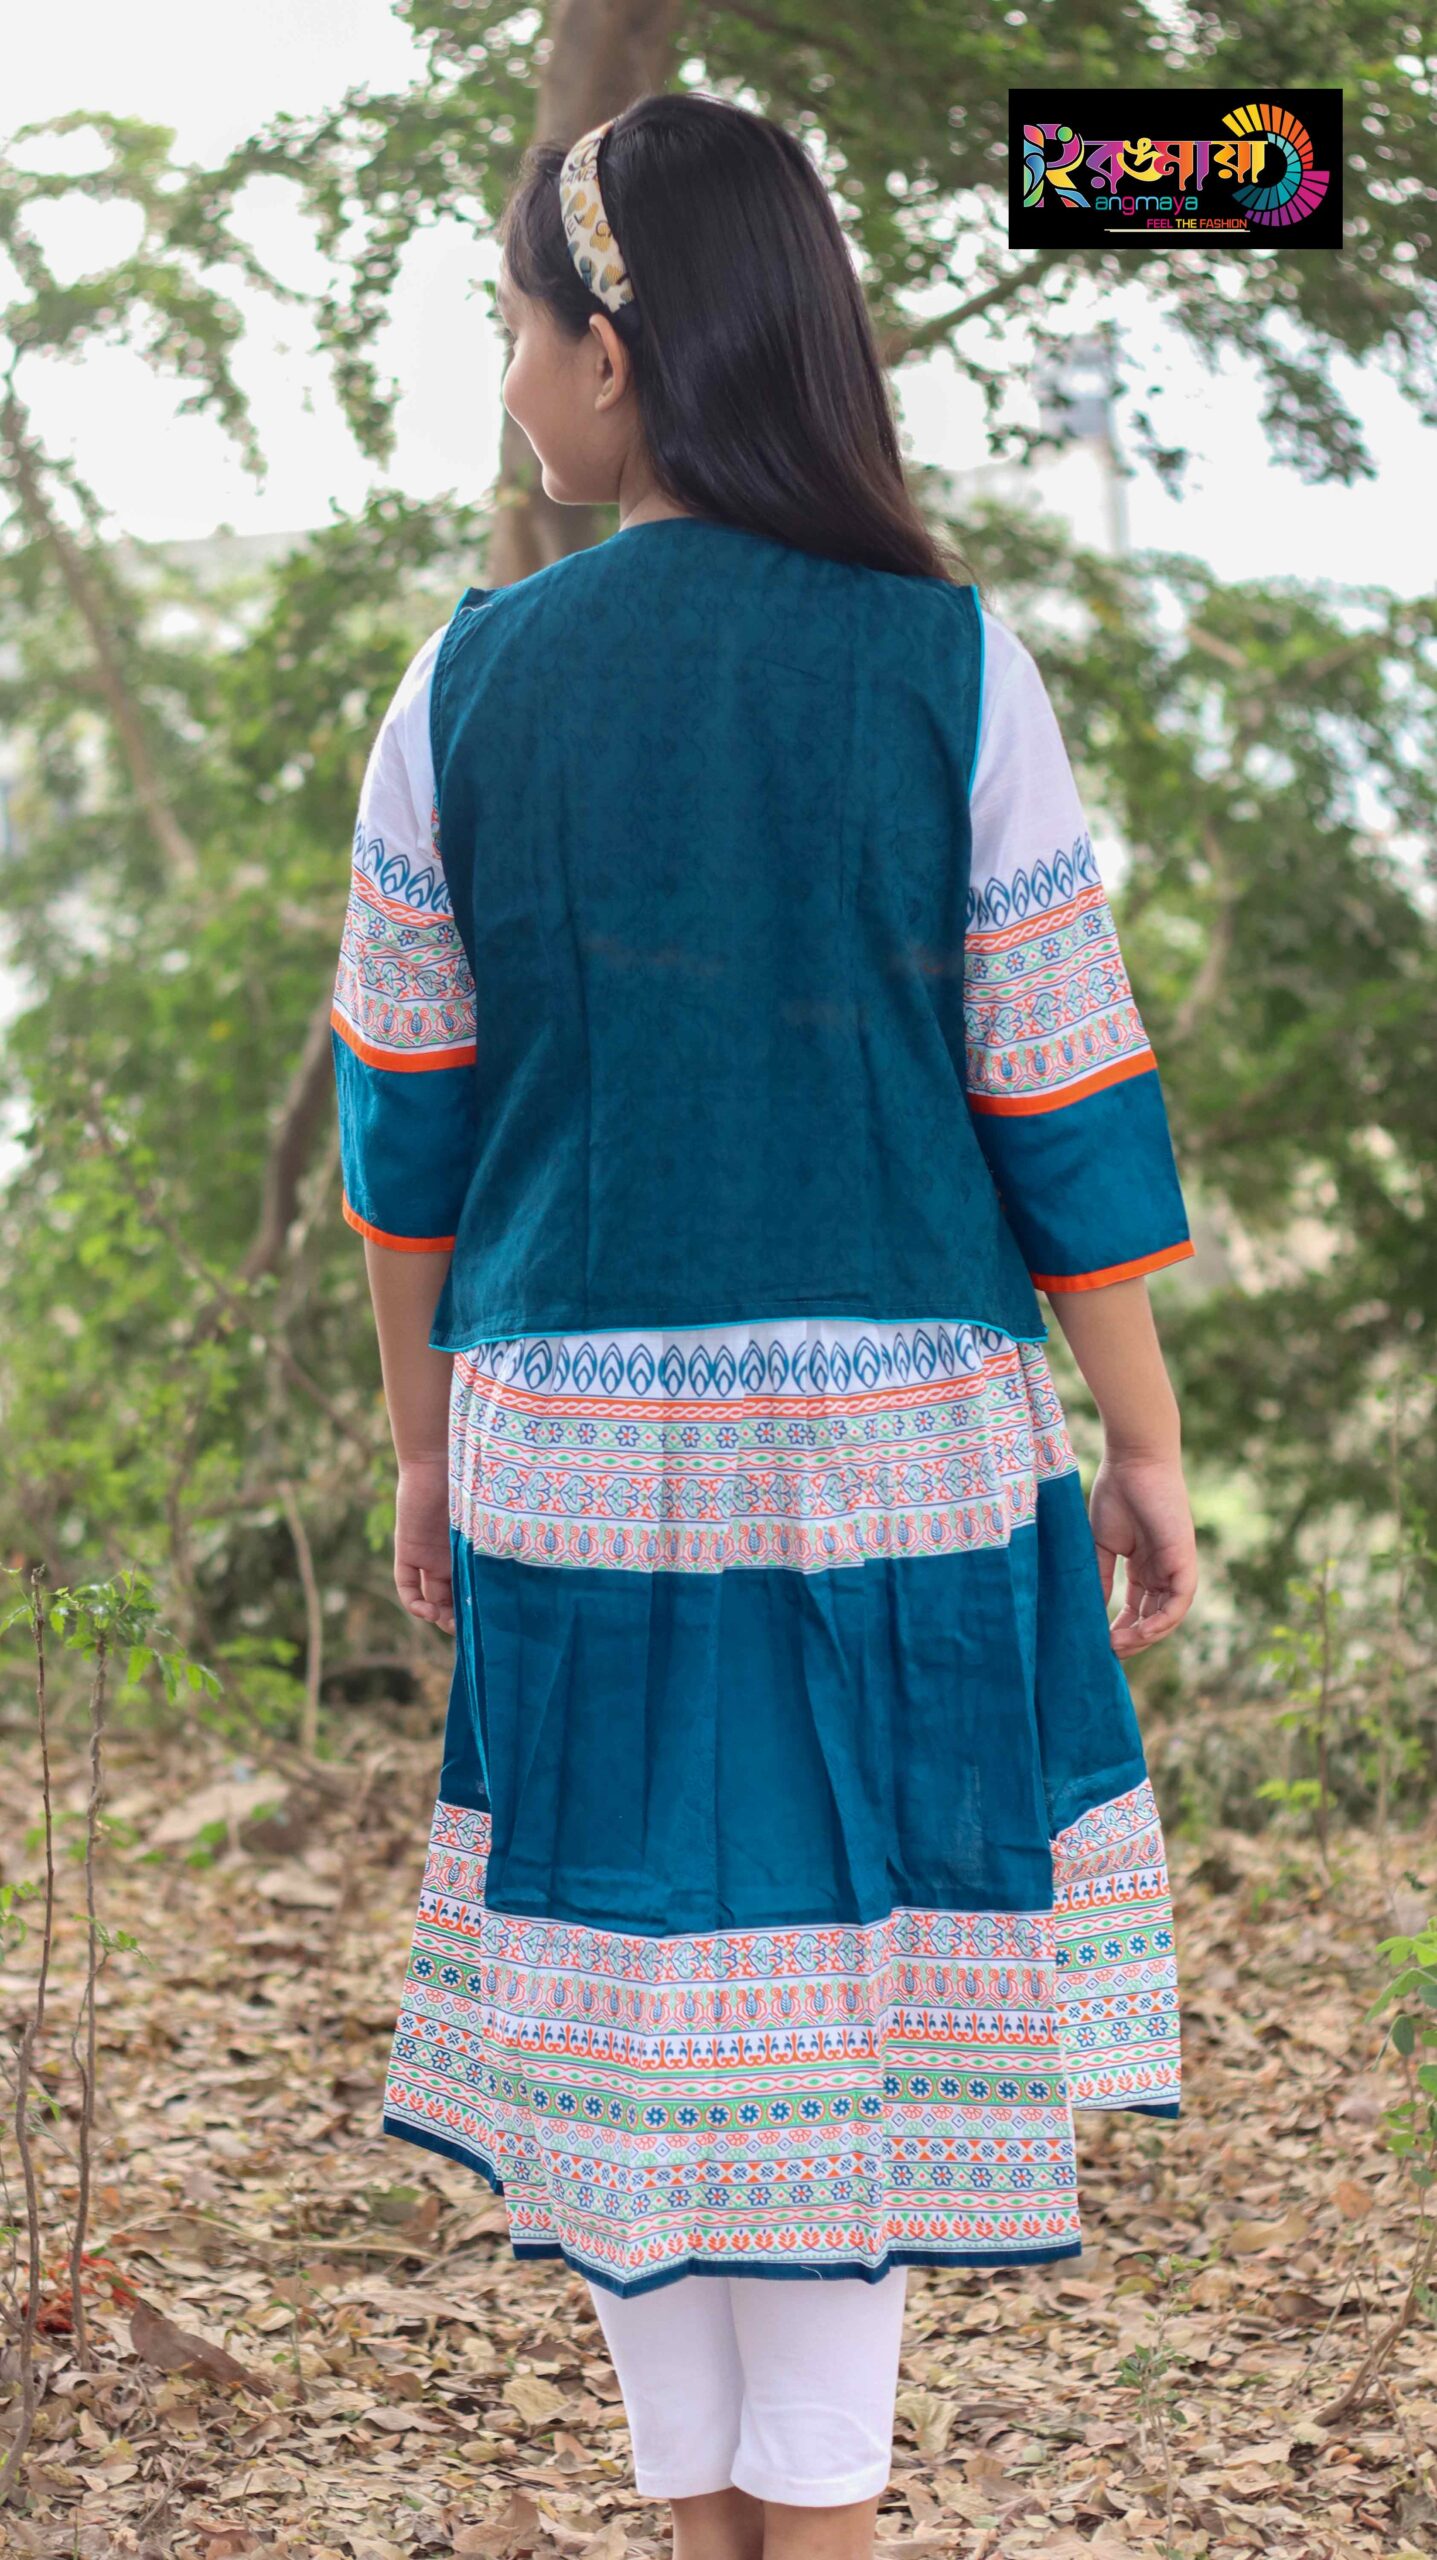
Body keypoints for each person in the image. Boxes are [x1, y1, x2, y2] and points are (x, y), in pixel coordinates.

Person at [330, 88, 1199, 2560]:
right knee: (839, 2040)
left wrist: (421, 1446)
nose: (513, 375)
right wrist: (1138, 1437)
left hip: (568, 1436)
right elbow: (1054, 1087)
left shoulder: (467, 685)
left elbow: (408, 1129)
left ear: (615, 351)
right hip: (895, 1445)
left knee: (638, 2034)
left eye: (520, 326)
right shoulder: (946, 663)